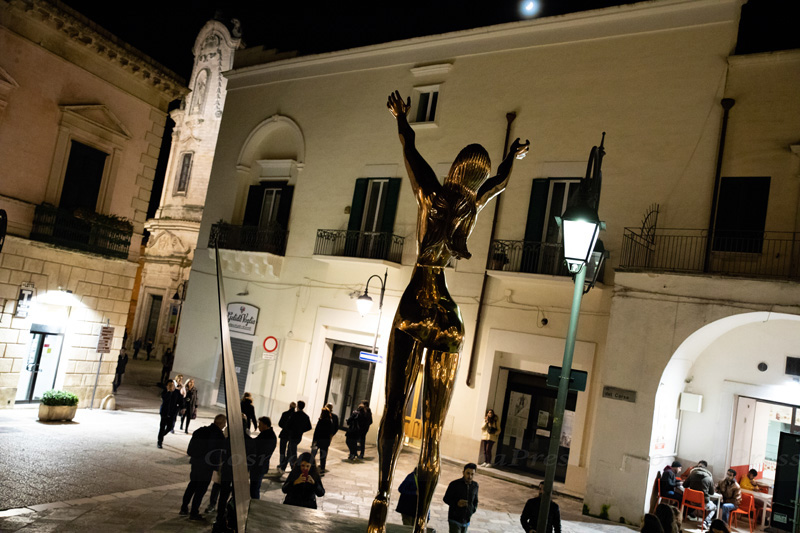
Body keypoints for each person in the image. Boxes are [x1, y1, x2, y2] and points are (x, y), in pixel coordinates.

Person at [367, 91, 528, 532]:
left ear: (455, 169)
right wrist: (512, 158)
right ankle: (420, 522)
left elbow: (409, 147)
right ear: (475, 178)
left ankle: (381, 500)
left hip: (415, 303)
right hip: (447, 316)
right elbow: (502, 184)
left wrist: (401, 116)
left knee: (394, 409)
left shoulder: (432, 193)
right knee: (433, 435)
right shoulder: (473, 205)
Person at [180, 414, 226, 520]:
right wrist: (217, 468)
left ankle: (183, 508)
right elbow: (217, 454)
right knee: (201, 490)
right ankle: (194, 512)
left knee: (192, 485)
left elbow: (190, 448)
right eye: (224, 423)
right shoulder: (219, 436)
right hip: (207, 467)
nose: (224, 426)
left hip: (196, 462)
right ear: (220, 423)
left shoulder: (200, 431)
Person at [443, 463, 479, 533]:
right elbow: (446, 499)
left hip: (466, 521)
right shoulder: (454, 484)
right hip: (455, 519)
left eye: (472, 474)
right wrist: (457, 503)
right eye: (468, 473)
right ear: (463, 473)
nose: (470, 476)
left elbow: (475, 500)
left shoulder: (475, 486)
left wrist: (472, 510)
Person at [250, 416, 277, 499]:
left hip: (259, 465)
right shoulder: (266, 434)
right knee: (254, 488)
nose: (258, 426)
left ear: (266, 425)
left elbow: (256, 446)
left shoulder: (268, 436)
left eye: (260, 424)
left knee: (254, 489)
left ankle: (255, 506)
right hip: (259, 465)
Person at [685, 460, 716, 529]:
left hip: (690, 501)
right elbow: (712, 493)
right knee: (714, 507)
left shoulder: (692, 474)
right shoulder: (709, 478)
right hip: (702, 504)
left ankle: (689, 514)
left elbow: (685, 485)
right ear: (705, 468)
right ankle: (706, 522)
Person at [286, 400, 312, 469]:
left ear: (298, 406)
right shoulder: (305, 416)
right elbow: (309, 427)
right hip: (298, 436)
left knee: (292, 451)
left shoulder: (294, 415)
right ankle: (285, 464)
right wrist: (302, 430)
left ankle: (294, 466)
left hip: (293, 435)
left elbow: (288, 424)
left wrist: (290, 430)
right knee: (290, 450)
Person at [157, 380, 183, 448]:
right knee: (162, 427)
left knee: (169, 427)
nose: (171, 386)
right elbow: (164, 399)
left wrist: (179, 408)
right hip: (164, 412)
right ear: (167, 386)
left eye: (172, 384)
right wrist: (169, 391)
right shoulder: (165, 392)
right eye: (169, 385)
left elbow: (181, 401)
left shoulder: (177, 392)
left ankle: (161, 435)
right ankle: (160, 442)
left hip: (172, 413)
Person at [312, 407, 335, 473]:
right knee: (323, 454)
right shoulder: (330, 422)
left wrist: (314, 441)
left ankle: (311, 466)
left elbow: (316, 432)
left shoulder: (321, 421)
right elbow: (331, 432)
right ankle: (322, 468)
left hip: (318, 439)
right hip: (326, 440)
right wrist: (329, 441)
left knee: (313, 454)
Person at [277, 402, 295, 472]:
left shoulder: (285, 414)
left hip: (284, 434)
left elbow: (280, 423)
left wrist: (285, 427)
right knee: (289, 451)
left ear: (289, 406)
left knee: (282, 449)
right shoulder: (296, 415)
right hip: (292, 435)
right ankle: (288, 464)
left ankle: (281, 463)